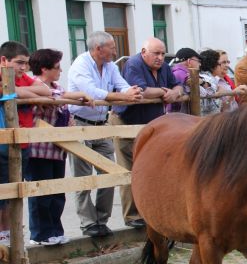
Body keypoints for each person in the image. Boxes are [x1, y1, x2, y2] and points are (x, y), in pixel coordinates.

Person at [67, 31, 143, 238]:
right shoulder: (80, 65)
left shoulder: (110, 66)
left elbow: (122, 85)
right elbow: (92, 92)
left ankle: (101, 219)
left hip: (102, 124)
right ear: (98, 48)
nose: (115, 50)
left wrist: (131, 92)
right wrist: (123, 96)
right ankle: (88, 222)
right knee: (83, 178)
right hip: (81, 125)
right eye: (111, 47)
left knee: (109, 175)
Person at [112, 37, 183, 228]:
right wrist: (162, 91)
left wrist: (174, 92)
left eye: (162, 53)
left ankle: (155, 212)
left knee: (154, 169)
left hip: (151, 125)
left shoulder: (164, 67)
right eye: (156, 53)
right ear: (144, 52)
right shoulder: (133, 64)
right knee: (129, 169)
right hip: (127, 122)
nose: (160, 58)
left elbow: (177, 85)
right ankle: (132, 216)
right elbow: (140, 90)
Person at [27, 49, 94, 245]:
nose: (60, 71)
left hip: (57, 149)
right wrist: (78, 95)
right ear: (44, 69)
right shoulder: (35, 86)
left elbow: (61, 96)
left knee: (57, 192)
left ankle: (55, 230)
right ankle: (40, 234)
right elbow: (55, 97)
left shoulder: (56, 87)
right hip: (39, 149)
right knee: (41, 193)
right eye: (56, 67)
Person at [0, 41, 52, 245]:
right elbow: (10, 91)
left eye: (26, 64)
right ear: (4, 60)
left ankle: (11, 237)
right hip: (3, 144)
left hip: (20, 144)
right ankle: (5, 238)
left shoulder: (23, 79)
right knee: (4, 196)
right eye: (19, 63)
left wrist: (22, 93)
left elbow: (46, 91)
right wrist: (22, 93)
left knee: (15, 192)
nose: (23, 68)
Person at [169, 47, 200, 113]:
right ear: (189, 61)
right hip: (178, 115)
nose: (199, 64)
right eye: (198, 61)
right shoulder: (180, 74)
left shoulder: (175, 72)